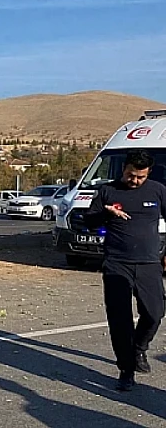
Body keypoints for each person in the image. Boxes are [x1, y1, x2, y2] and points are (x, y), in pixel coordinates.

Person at [83, 149, 166, 391]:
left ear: (148, 173)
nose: (135, 180)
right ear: (124, 169)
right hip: (116, 263)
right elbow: (89, 221)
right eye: (131, 175)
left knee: (154, 313)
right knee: (120, 320)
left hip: (149, 263)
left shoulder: (158, 191)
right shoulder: (107, 191)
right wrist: (104, 213)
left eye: (140, 177)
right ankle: (126, 369)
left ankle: (139, 348)